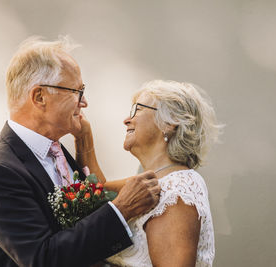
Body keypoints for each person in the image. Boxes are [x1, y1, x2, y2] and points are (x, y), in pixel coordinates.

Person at [0, 36, 161, 267]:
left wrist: (85, 144)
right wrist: (121, 210)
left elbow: (89, 213)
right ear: (40, 97)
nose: (85, 102)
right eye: (77, 91)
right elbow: (43, 259)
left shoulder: (59, 153)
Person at [77, 80, 222, 267]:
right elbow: (97, 191)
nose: (127, 120)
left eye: (138, 110)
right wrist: (83, 136)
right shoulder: (156, 180)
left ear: (170, 123)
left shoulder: (177, 189)